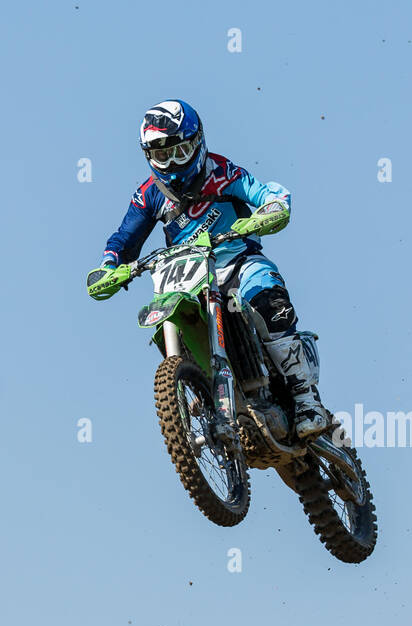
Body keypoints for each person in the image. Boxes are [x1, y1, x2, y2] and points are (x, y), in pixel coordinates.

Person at [88, 99, 331, 438]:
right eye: (162, 156)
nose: (172, 163)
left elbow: (262, 192)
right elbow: (124, 239)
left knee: (266, 299)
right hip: (188, 277)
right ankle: (198, 389)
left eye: (180, 151)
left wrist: (273, 206)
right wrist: (109, 265)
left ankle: (307, 400)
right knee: (170, 312)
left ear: (198, 142)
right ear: (148, 157)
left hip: (237, 261)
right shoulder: (149, 195)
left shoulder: (222, 172)